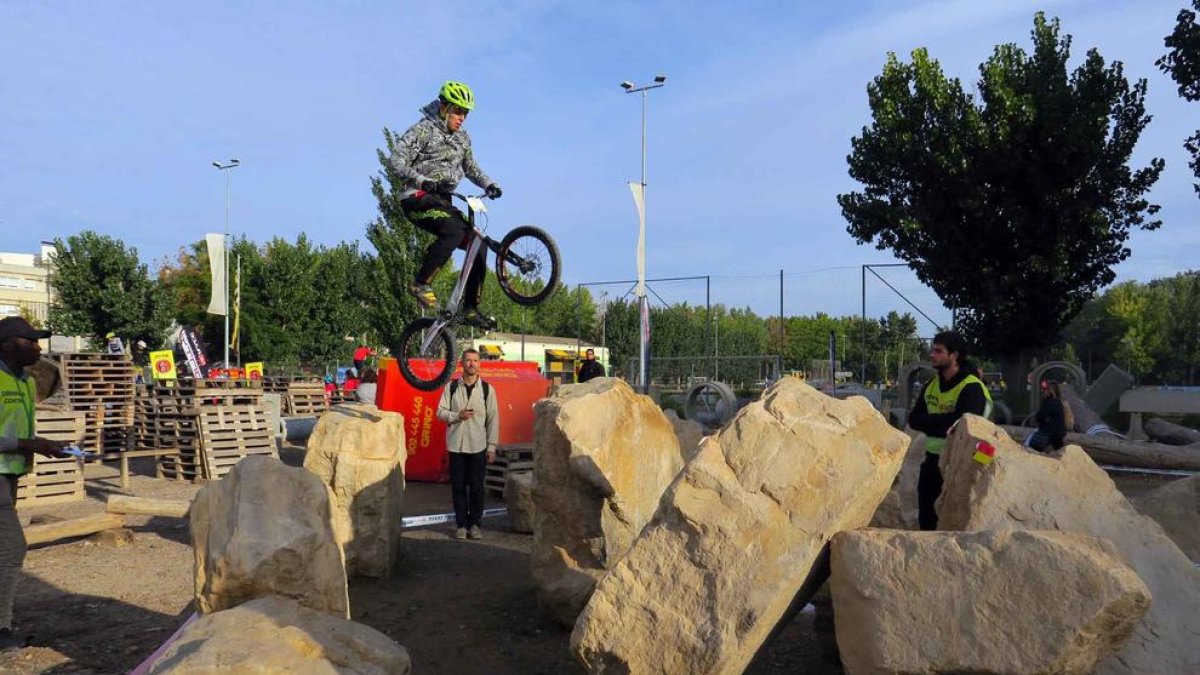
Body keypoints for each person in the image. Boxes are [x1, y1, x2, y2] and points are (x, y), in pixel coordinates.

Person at [390, 80, 502, 329]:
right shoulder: (423, 130)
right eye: (458, 111)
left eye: (466, 114)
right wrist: (422, 180)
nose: (462, 118)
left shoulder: (463, 138)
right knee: (453, 231)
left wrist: (488, 184)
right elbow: (396, 161)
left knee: (478, 243)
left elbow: (470, 167)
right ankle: (421, 283)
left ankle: (470, 308)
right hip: (416, 197)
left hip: (442, 201)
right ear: (444, 108)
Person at [0, 318, 67, 650]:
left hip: (9, 473)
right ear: (7, 345)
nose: (38, 348)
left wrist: (44, 444)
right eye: (30, 341)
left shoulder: (26, 381)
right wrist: (28, 444)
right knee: (12, 547)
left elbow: (20, 426)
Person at [907, 331, 992, 531]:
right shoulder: (932, 385)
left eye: (938, 351)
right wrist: (944, 423)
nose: (932, 355)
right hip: (933, 461)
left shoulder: (972, 387)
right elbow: (914, 420)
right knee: (927, 520)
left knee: (958, 524)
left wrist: (932, 423)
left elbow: (962, 427)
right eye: (933, 350)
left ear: (954, 355)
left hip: (966, 463)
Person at [436, 349, 499, 540]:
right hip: (456, 445)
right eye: (468, 360)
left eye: (475, 360)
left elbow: (493, 420)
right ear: (462, 363)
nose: (472, 364)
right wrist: (457, 416)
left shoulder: (487, 390)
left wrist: (492, 447)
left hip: (478, 446)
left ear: (480, 364)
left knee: (477, 488)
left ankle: (475, 525)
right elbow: (440, 412)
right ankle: (461, 525)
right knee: (458, 488)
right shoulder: (451, 387)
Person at [1026, 379, 1073, 452]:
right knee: (1059, 450)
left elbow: (1040, 417)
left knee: (1032, 448)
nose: (1042, 391)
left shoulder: (1049, 403)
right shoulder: (1059, 402)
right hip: (1059, 433)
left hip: (1048, 433)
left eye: (1044, 390)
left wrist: (1040, 418)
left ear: (1050, 391)